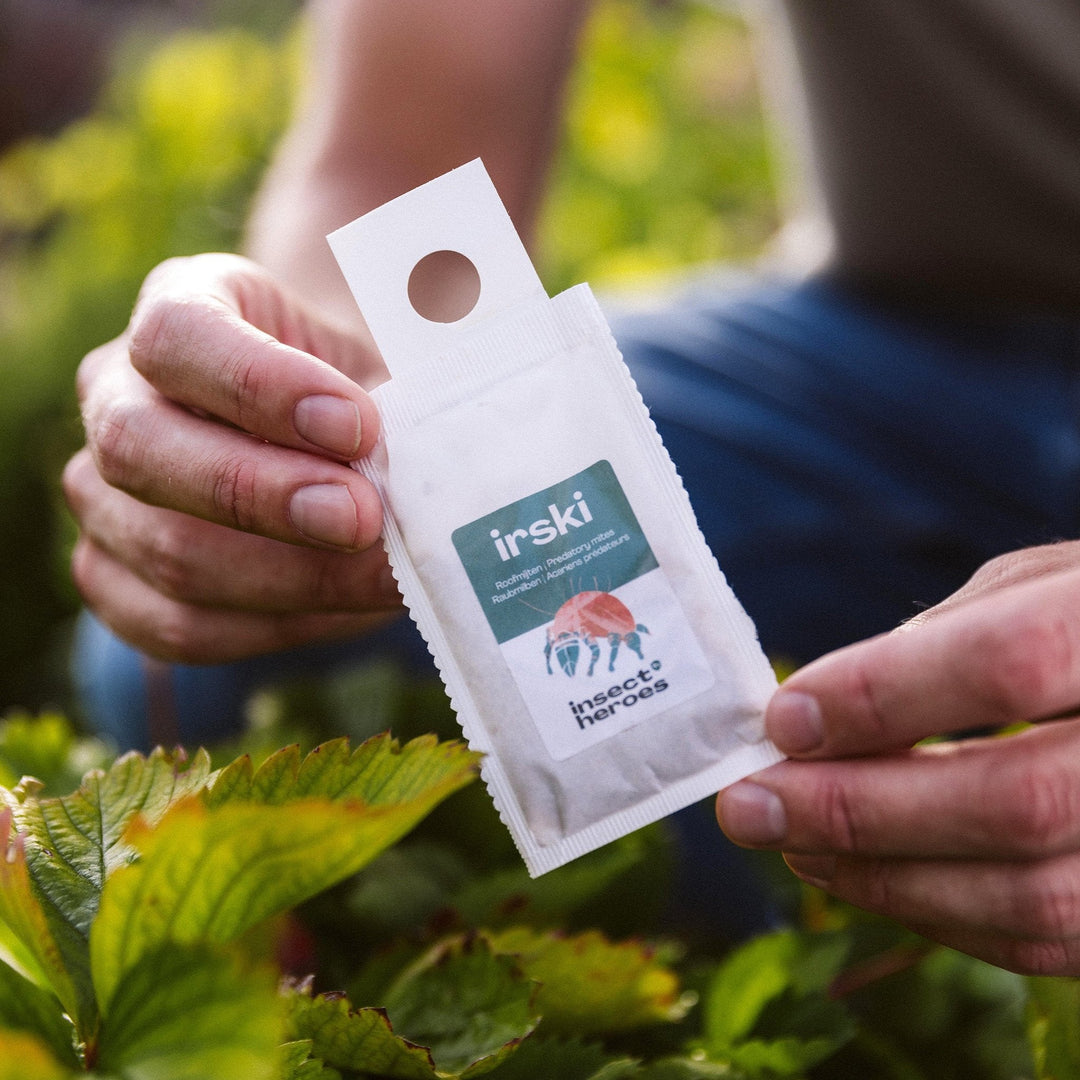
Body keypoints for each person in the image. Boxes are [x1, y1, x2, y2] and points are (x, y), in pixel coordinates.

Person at [63, 0, 1080, 976]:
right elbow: (396, 165)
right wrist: (297, 400)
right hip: (913, 350)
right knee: (240, 637)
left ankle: (847, 962)